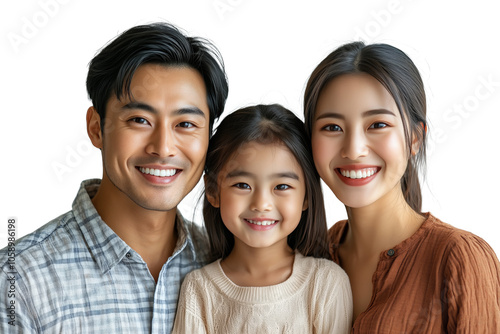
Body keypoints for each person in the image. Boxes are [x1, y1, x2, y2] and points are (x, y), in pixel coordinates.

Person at [0, 22, 228, 333]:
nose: (162, 147)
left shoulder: (225, 262)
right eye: (139, 120)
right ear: (96, 128)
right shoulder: (19, 280)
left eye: (186, 124)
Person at [303, 41, 500, 332]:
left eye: (378, 124)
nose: (354, 149)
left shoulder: (458, 258)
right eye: (332, 127)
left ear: (414, 139)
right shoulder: (311, 254)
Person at [172, 104, 353, 333]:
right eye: (242, 185)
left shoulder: (325, 283)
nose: (261, 204)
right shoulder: (199, 289)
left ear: (306, 195)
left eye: (282, 186)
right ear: (213, 191)